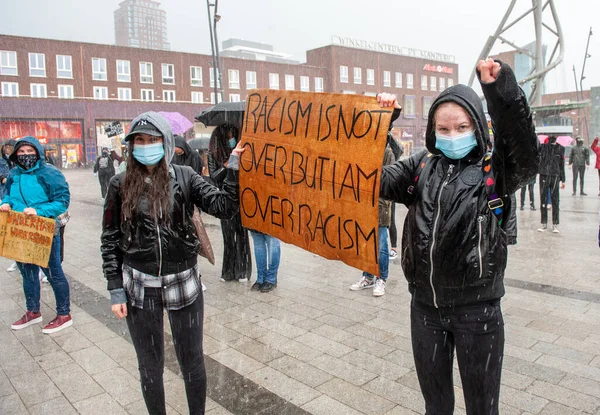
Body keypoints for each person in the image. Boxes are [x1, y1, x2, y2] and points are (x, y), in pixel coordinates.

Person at [377, 58, 538, 415]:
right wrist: (379, 123)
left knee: (482, 408)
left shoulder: (496, 169)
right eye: (444, 129)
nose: (452, 136)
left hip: (477, 313)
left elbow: (525, 151)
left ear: (476, 125)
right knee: (436, 405)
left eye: (461, 126)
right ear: (433, 130)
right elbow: (372, 177)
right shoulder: (420, 165)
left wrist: (501, 91)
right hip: (425, 310)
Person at [101, 111, 244, 415]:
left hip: (183, 282)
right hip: (140, 286)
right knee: (150, 366)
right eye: (139, 140)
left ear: (165, 141)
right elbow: (110, 238)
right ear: (131, 146)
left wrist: (233, 168)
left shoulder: (185, 177)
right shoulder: (119, 183)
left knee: (192, 361)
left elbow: (224, 206)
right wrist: (115, 288)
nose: (146, 145)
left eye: (152, 139)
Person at [1, 136, 72, 333]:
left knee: (53, 273)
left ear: (38, 152)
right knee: (27, 273)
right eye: (21, 152)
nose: (25, 156)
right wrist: (4, 204)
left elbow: (62, 201)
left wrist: (38, 211)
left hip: (45, 230)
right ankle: (33, 311)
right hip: (21, 230)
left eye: (29, 151)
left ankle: (64, 314)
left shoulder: (50, 173)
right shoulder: (14, 174)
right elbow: (7, 194)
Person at [208, 123, 252, 282]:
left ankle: (242, 270)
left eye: (233, 134)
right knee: (228, 236)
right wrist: (227, 166)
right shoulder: (214, 153)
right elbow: (214, 176)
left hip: (240, 197)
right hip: (224, 197)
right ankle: (228, 271)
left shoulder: (241, 150)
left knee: (242, 234)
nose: (231, 138)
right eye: (228, 135)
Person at [350, 144, 394, 296]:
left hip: (380, 207)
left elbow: (390, 180)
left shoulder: (387, 152)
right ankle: (367, 276)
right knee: (366, 244)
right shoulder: (365, 149)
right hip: (365, 205)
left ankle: (381, 279)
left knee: (381, 245)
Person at [538, 135, 566, 233]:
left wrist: (563, 179)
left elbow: (561, 164)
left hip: (554, 176)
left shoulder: (560, 148)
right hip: (545, 175)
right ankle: (544, 223)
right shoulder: (543, 147)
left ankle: (554, 223)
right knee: (544, 200)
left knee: (555, 201)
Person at [386, 131, 403, 259]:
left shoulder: (392, 153)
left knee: (391, 219)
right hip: (376, 190)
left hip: (389, 190)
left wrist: (388, 134)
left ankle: (393, 247)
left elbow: (399, 149)